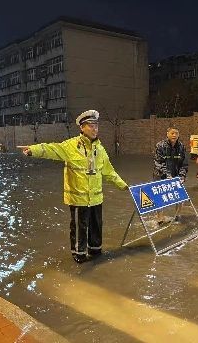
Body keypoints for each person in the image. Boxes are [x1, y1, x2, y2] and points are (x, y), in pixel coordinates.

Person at [21, 110, 128, 263]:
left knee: (96, 226)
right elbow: (52, 149)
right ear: (82, 128)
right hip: (79, 198)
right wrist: (33, 150)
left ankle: (95, 251)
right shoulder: (71, 146)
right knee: (79, 228)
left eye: (96, 126)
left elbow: (109, 171)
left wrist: (123, 185)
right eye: (90, 126)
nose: (94, 129)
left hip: (96, 198)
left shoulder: (100, 149)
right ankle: (79, 254)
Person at [153, 127, 188, 222]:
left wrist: (182, 176)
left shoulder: (181, 147)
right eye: (172, 133)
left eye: (176, 133)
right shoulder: (160, 146)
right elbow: (158, 163)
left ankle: (178, 216)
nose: (174, 135)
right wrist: (168, 176)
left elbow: (184, 164)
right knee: (159, 197)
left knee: (180, 195)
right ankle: (160, 218)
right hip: (160, 175)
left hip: (176, 175)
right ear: (167, 134)